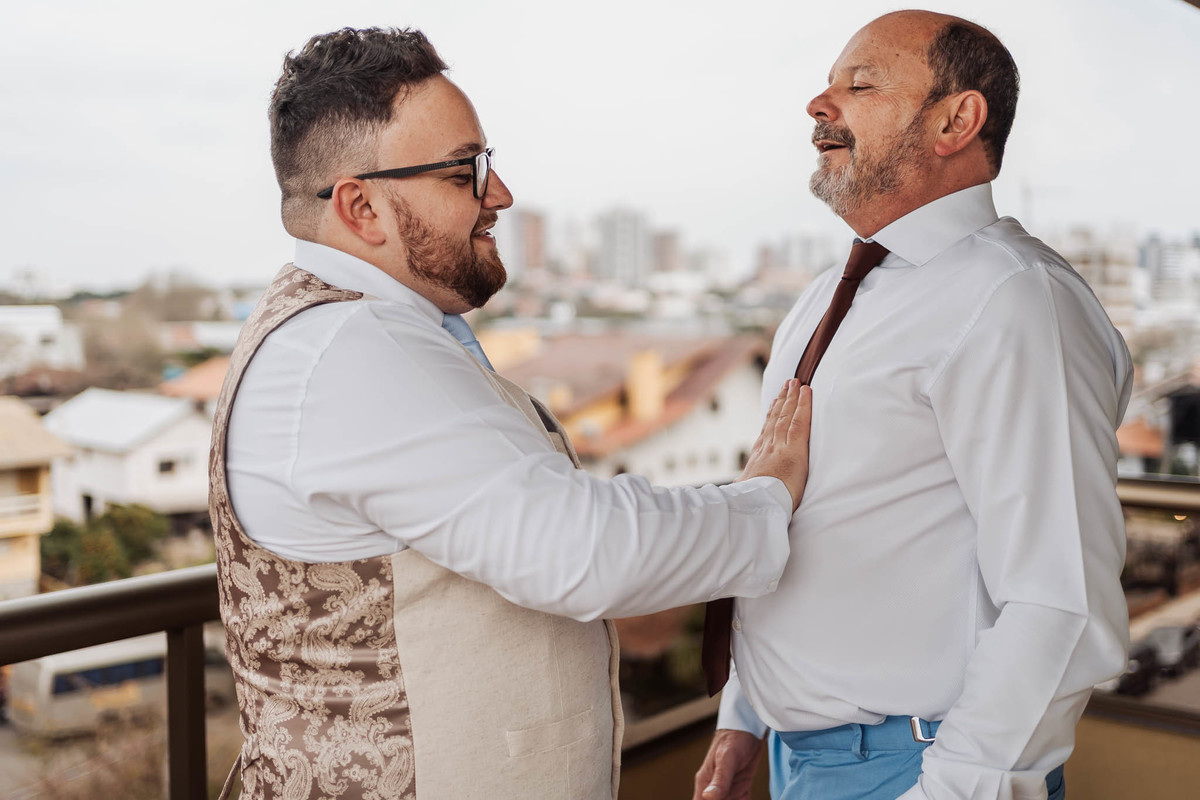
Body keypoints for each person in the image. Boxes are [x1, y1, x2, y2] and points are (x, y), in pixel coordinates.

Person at [210, 27, 812, 800]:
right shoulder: (350, 350)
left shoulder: (349, 334)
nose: (500, 194)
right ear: (361, 207)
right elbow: (580, 550)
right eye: (466, 171)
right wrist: (765, 500)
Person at [695, 10, 1131, 800]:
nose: (818, 105)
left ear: (956, 120)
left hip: (917, 769)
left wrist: (951, 790)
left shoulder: (1014, 301)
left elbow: (1060, 600)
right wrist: (747, 711)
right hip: (809, 761)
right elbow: (811, 518)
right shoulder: (828, 298)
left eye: (859, 84)